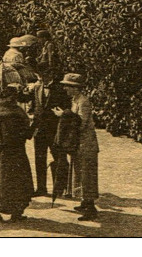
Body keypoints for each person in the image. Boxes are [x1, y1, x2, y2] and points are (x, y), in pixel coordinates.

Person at [52, 73, 100, 221]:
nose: (65, 88)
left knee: (87, 176)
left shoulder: (83, 102)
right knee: (79, 174)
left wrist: (64, 115)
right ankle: (85, 202)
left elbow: (82, 123)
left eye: (68, 86)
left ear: (75, 88)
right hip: (78, 144)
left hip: (86, 144)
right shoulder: (75, 100)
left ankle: (90, 208)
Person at [0, 85, 33, 222]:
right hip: (17, 149)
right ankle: (16, 211)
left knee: (3, 181)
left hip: (3, 149)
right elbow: (26, 134)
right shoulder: (17, 112)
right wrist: (35, 123)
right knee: (19, 181)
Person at [28, 64, 70, 198]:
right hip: (39, 130)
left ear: (51, 75)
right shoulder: (37, 87)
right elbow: (35, 107)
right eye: (40, 76)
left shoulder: (60, 89)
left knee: (59, 158)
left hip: (55, 130)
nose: (41, 78)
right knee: (39, 159)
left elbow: (67, 109)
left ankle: (60, 188)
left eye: (44, 75)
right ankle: (41, 188)